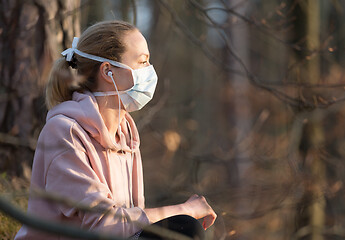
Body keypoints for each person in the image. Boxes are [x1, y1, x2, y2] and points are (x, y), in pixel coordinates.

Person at [15, 20, 216, 240]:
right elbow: (106, 226)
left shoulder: (126, 133)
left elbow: (132, 227)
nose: (150, 71)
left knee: (180, 229)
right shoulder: (65, 132)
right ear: (108, 71)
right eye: (142, 62)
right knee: (185, 226)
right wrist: (185, 209)